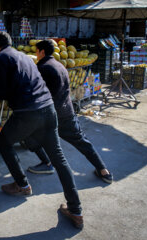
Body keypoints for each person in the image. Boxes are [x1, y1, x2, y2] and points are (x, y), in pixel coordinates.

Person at [0, 32, 84, 229]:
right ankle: (76, 211)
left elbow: (2, 92)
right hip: (49, 109)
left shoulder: (0, 58)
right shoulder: (23, 56)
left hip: (28, 112)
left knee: (3, 142)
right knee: (60, 160)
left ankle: (22, 184)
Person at [21, 40, 113, 184]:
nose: (35, 54)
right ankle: (103, 170)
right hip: (67, 111)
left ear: (42, 52)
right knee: (81, 141)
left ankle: (47, 164)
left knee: (29, 134)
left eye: (36, 51)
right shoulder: (60, 65)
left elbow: (35, 91)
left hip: (51, 114)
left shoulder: (42, 68)